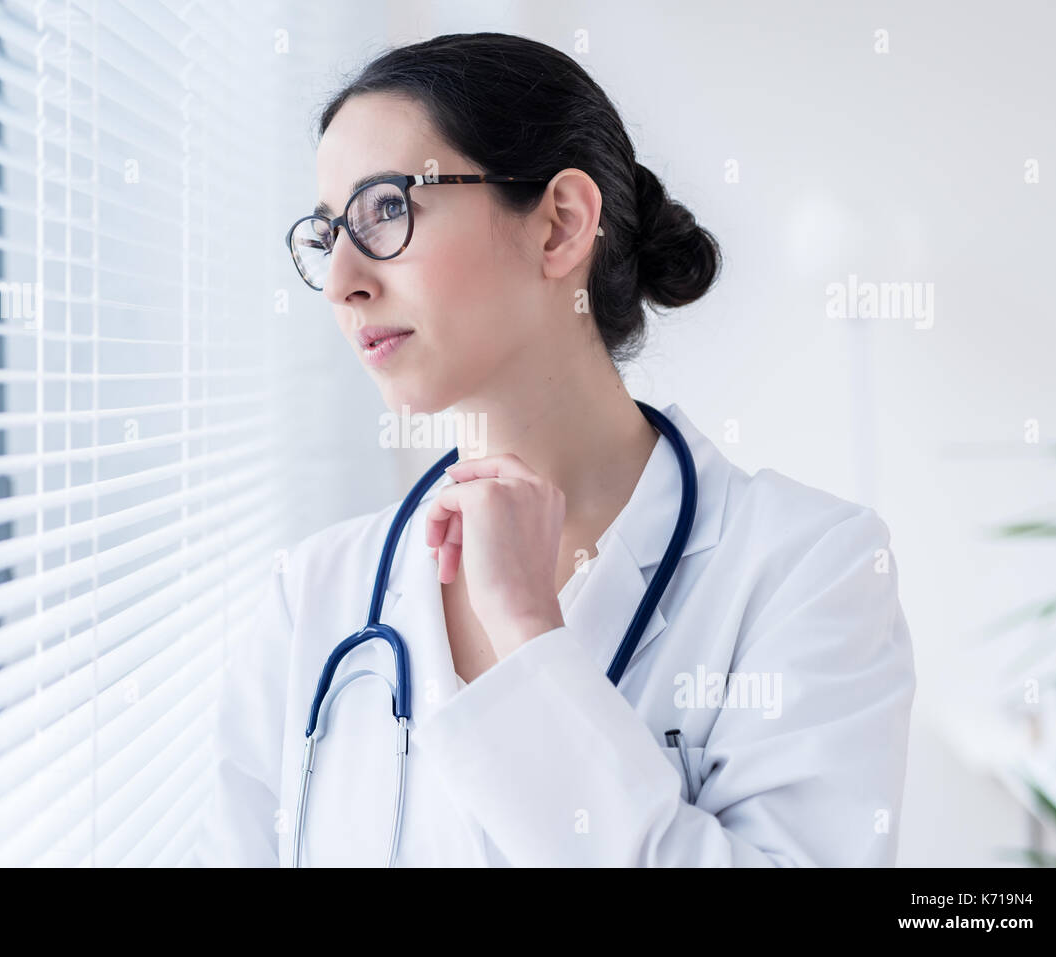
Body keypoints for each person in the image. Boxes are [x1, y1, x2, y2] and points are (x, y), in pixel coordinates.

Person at [198, 32, 915, 867]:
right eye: (327, 236)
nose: (340, 280)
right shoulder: (313, 598)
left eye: (387, 208)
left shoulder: (808, 570)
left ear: (559, 226)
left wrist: (531, 637)